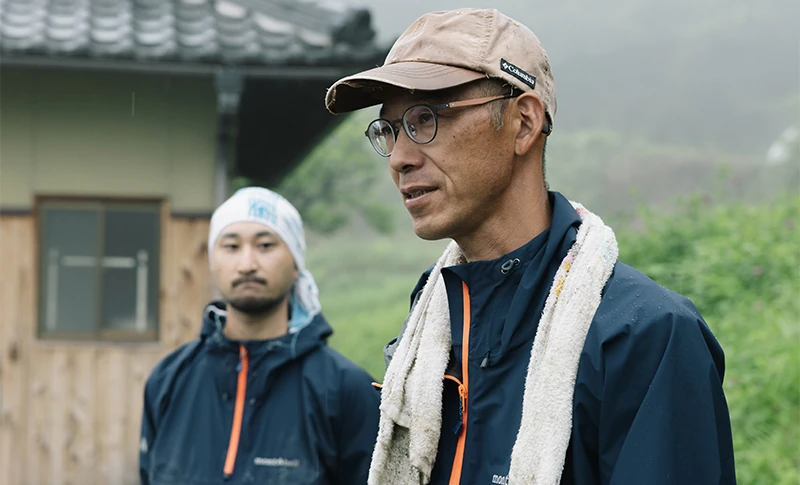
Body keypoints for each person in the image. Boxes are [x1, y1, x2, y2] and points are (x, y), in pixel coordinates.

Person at [324, 8, 736, 485]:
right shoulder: (434, 324)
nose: (399, 157)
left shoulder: (643, 337)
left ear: (522, 122)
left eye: (425, 118)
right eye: (389, 130)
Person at [139, 187, 380, 485]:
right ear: (213, 261)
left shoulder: (346, 389)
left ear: (296, 264)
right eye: (231, 246)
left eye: (265, 245)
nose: (247, 264)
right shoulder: (168, 380)